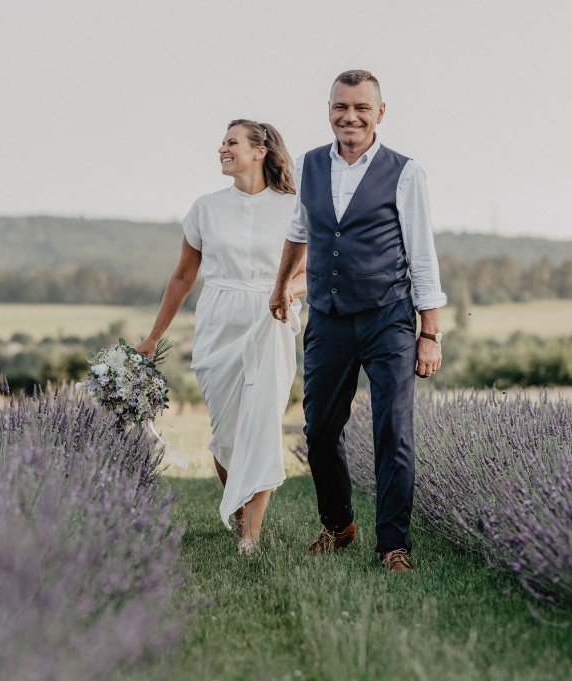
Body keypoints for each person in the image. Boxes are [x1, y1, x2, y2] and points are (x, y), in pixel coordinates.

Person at [269, 70, 447, 573]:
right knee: (320, 431)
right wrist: (282, 285)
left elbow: (422, 255)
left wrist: (430, 332)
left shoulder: (405, 173)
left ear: (379, 113)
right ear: (329, 110)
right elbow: (299, 231)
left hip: (388, 318)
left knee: (393, 431)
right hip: (328, 319)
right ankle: (339, 523)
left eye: (361, 108)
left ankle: (393, 544)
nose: (350, 116)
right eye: (340, 106)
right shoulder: (309, 165)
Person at [136, 119, 305, 555]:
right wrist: (154, 337)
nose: (221, 149)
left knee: (262, 425)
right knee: (226, 434)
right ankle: (241, 509)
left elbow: (314, 272)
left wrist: (285, 290)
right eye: (222, 143)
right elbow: (182, 276)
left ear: (259, 150)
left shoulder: (294, 207)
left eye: (231, 142)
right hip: (218, 323)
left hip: (271, 320)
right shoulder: (205, 208)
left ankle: (251, 536)